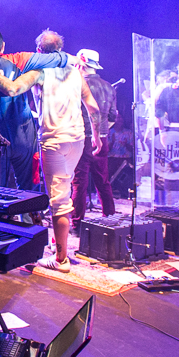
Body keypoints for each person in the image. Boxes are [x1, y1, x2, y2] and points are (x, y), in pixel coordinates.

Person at [0, 30, 101, 273]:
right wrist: (97, 135)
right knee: (62, 192)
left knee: (58, 200)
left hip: (54, 140)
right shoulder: (76, 72)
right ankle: (55, 248)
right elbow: (93, 107)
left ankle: (61, 259)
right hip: (77, 139)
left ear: (40, 51)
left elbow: (11, 89)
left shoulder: (40, 71)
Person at [0, 28, 76, 191]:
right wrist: (70, 58)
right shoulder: (19, 60)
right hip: (23, 136)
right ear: (3, 46)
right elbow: (55, 59)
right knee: (29, 188)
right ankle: (32, 217)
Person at [72, 49, 117, 225]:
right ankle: (112, 219)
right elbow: (113, 116)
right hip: (102, 139)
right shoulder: (108, 87)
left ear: (81, 63)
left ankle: (77, 223)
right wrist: (102, 131)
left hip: (82, 138)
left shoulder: (77, 84)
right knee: (103, 181)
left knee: (79, 182)